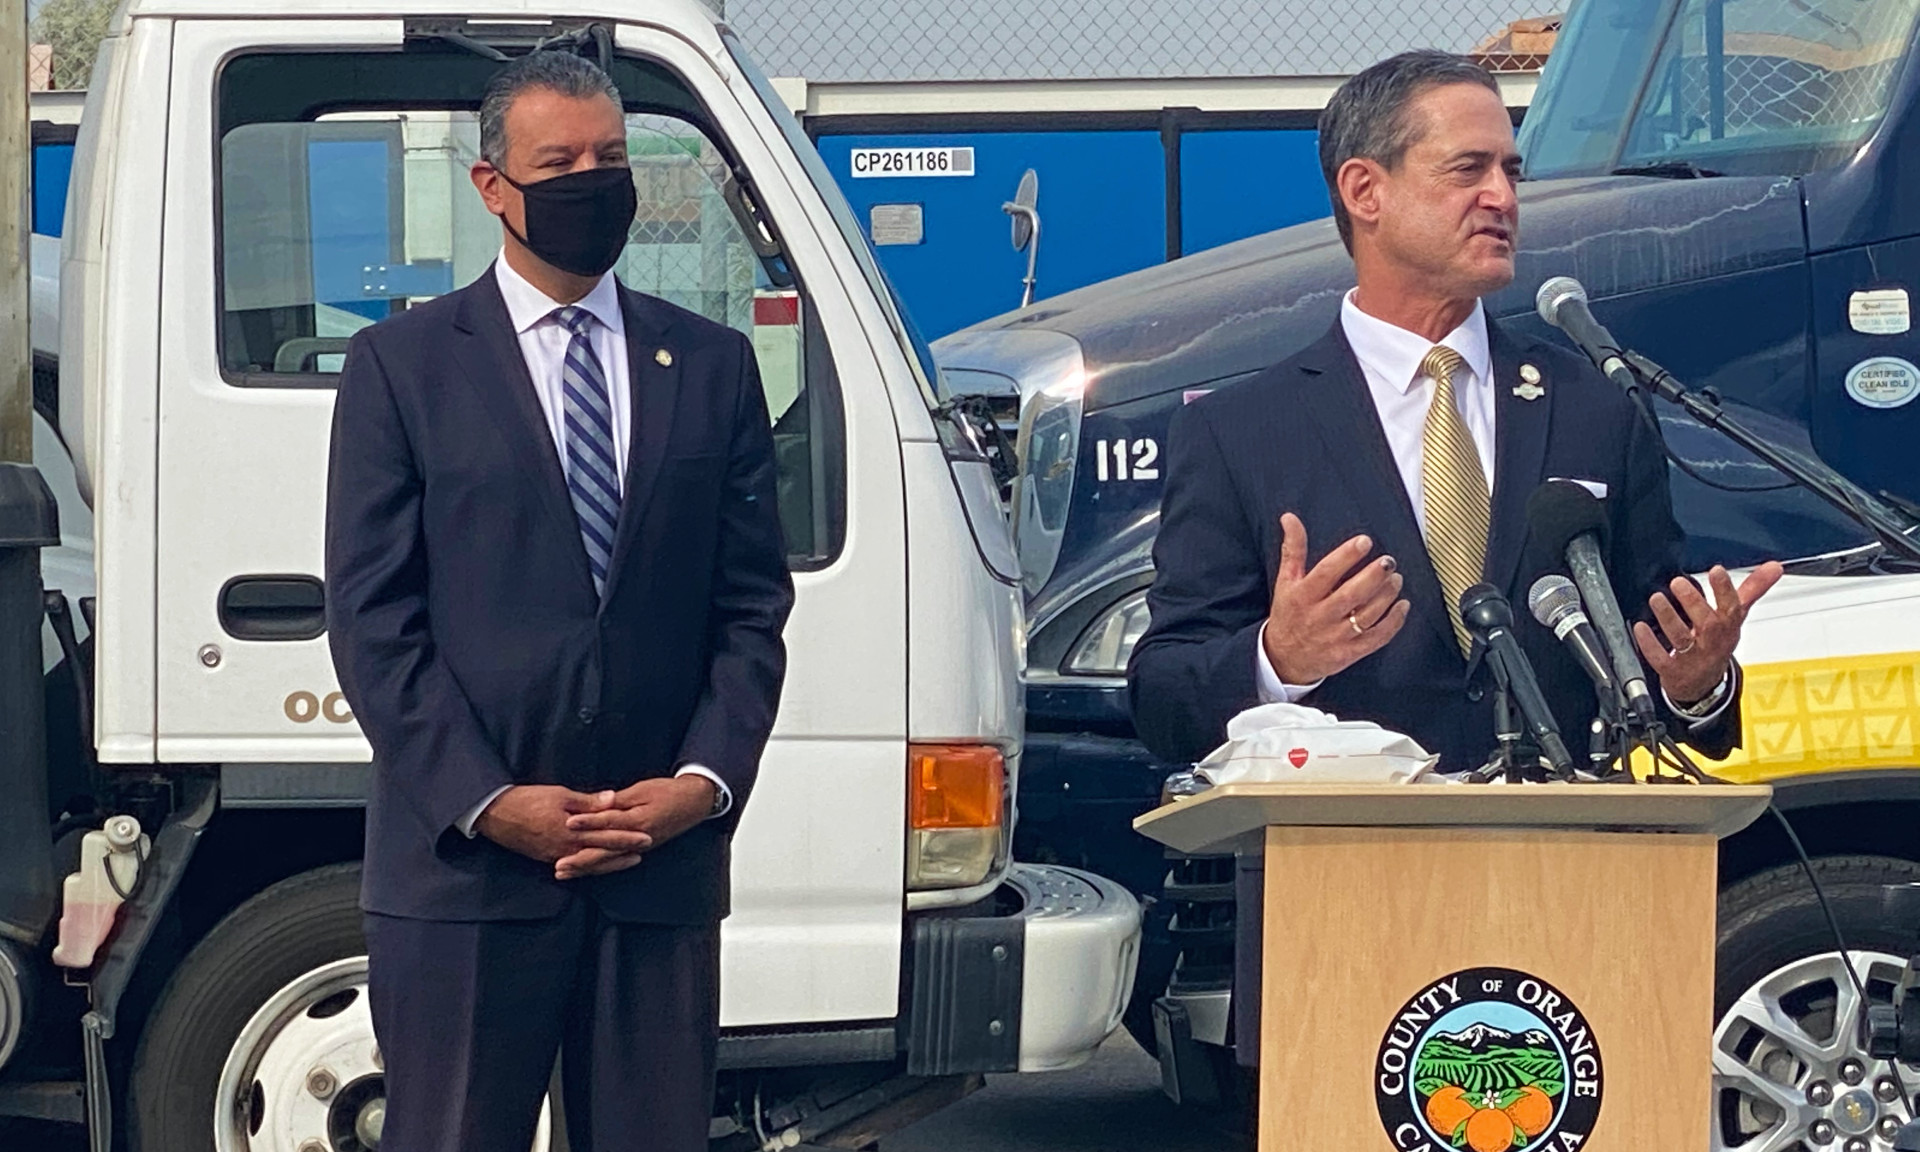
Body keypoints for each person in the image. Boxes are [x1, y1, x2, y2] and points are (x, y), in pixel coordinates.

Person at [324, 50, 794, 1152]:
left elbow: (749, 611)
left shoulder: (713, 366)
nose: (593, 182)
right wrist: (490, 801)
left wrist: (699, 786)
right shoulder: (402, 368)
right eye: (560, 164)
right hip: (466, 879)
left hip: (655, 873)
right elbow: (376, 621)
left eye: (610, 158)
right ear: (493, 186)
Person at [1128, 49, 1783, 776]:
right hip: (1340, 839)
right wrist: (1278, 658)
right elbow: (1162, 699)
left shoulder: (1594, 407)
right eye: (1468, 169)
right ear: (1364, 190)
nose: (1502, 197)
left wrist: (1698, 684)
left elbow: (1657, 663)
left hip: (1563, 837)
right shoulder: (1240, 431)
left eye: (1511, 172)